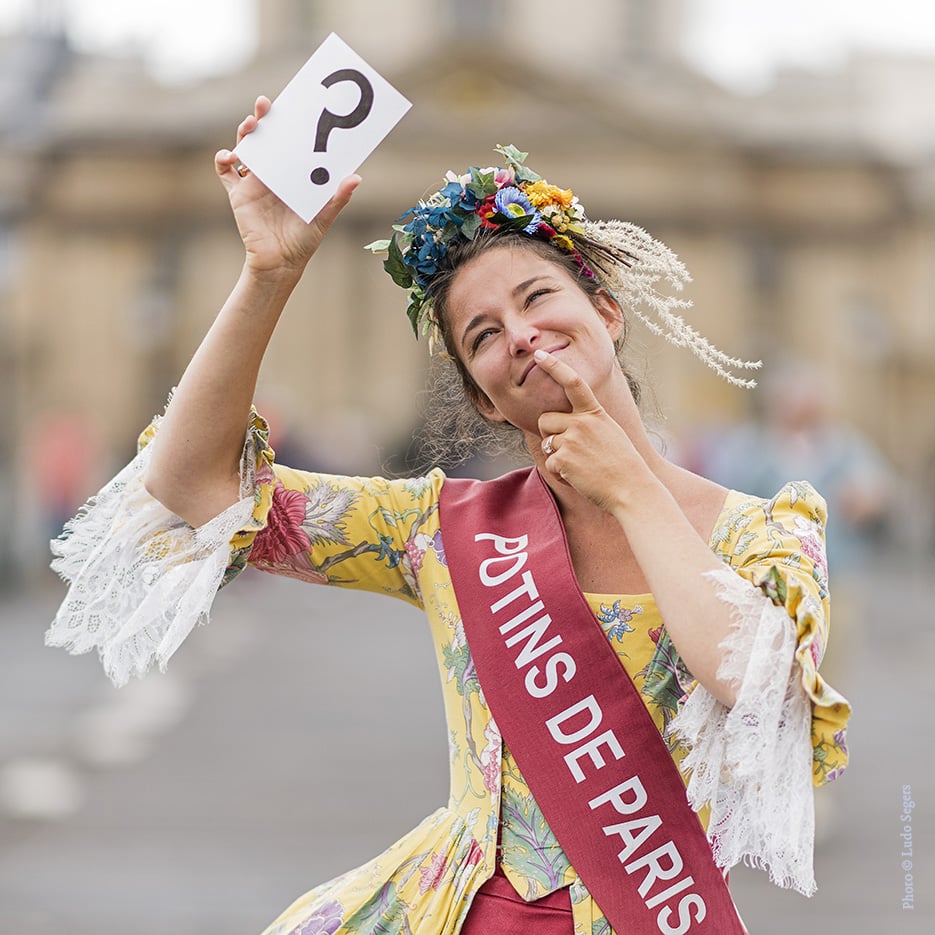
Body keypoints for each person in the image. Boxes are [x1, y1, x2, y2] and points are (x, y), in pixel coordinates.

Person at [48, 96, 851, 935]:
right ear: (483, 395)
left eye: (539, 296)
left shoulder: (766, 528)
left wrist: (632, 486)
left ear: (604, 311)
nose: (523, 334)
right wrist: (269, 273)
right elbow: (193, 487)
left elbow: (763, 686)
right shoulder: (441, 525)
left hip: (652, 909)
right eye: (483, 333)